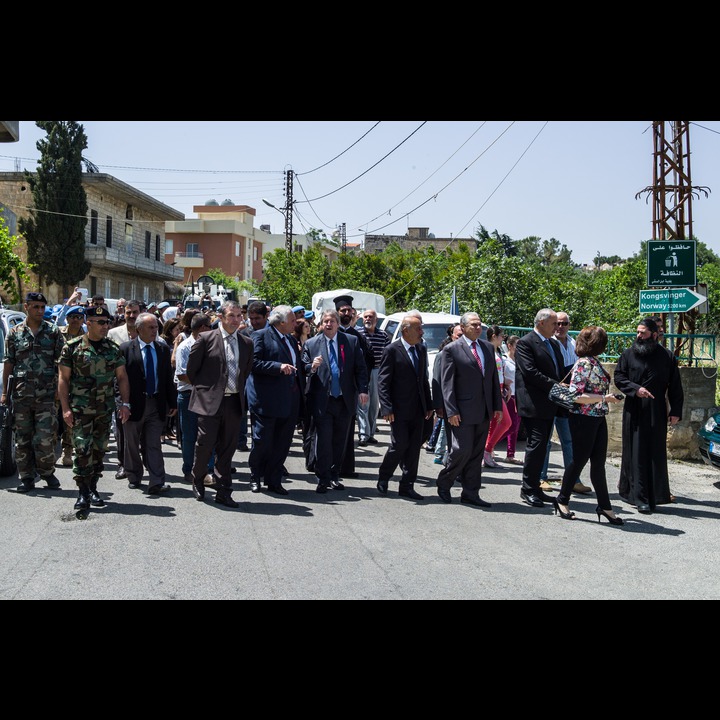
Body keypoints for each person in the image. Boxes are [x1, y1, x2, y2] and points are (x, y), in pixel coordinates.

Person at [58, 305, 131, 515]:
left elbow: (122, 377)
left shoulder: (112, 348)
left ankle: (93, 488)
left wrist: (125, 404)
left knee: (99, 450)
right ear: (87, 323)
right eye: (100, 322)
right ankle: (82, 492)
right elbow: (63, 379)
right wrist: (65, 408)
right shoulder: (72, 348)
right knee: (82, 449)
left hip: (103, 409)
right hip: (80, 409)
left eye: (107, 322)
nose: (105, 326)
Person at [552, 326, 625, 525]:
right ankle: (562, 500)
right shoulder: (584, 363)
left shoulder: (593, 361)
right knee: (578, 460)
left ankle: (605, 506)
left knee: (598, 463)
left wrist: (604, 400)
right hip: (583, 418)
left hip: (597, 416)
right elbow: (576, 396)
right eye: (603, 340)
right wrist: (604, 397)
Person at [613, 317, 684, 514]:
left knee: (654, 452)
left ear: (654, 335)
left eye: (643, 333)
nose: (639, 336)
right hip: (634, 408)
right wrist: (635, 389)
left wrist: (676, 411)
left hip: (656, 410)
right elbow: (619, 377)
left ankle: (657, 494)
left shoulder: (667, 356)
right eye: (637, 332)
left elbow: (675, 386)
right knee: (636, 452)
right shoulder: (628, 354)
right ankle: (639, 497)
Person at [186, 300, 253, 508]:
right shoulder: (206, 339)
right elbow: (191, 371)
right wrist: (207, 391)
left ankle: (224, 491)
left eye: (239, 315)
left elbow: (246, 372)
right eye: (231, 315)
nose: (236, 319)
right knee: (205, 445)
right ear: (221, 318)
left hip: (233, 403)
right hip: (209, 403)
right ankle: (198, 478)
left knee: (227, 448)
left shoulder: (246, 343)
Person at [435, 311, 502, 507]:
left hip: (483, 409)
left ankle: (471, 492)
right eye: (473, 325)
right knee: (461, 450)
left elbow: (492, 380)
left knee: (476, 454)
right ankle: (445, 481)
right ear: (463, 328)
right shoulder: (452, 350)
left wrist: (497, 406)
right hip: (461, 411)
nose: (478, 328)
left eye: (480, 324)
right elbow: (447, 383)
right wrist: (451, 411)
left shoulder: (488, 348)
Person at [1, 291, 65, 492]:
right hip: (21, 395)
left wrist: (59, 390)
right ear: (26, 307)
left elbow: (62, 364)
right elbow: (9, 363)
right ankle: (27, 477)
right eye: (35, 307)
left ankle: (47, 472)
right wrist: (4, 393)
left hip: (47, 395)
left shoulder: (53, 332)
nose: (39, 310)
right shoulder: (14, 333)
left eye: (42, 307)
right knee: (23, 439)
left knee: (45, 438)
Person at [301, 309, 369, 494]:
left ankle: (334, 475)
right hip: (323, 401)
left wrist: (363, 390)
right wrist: (311, 367)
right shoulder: (312, 343)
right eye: (325, 321)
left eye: (332, 321)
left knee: (340, 440)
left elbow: (360, 369)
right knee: (324, 440)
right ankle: (322, 478)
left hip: (344, 400)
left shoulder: (351, 341)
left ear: (338, 323)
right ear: (320, 324)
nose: (328, 324)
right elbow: (303, 367)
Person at [246, 305, 305, 495]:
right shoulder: (261, 336)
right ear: (281, 322)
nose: (296, 324)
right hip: (266, 400)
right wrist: (277, 367)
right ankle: (255, 475)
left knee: (282, 443)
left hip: (289, 400)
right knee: (262, 441)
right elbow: (253, 364)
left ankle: (274, 480)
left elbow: (296, 366)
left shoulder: (289, 339)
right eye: (293, 321)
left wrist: (310, 366)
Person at [376, 313, 433, 500]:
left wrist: (429, 405)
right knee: (399, 444)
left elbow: (422, 379)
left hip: (418, 408)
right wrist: (386, 407)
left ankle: (407, 485)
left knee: (414, 447)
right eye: (418, 328)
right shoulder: (392, 350)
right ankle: (384, 475)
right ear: (406, 330)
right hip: (398, 409)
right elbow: (383, 381)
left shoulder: (421, 349)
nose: (422, 332)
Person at [119, 312, 177, 495]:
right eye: (151, 327)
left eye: (156, 327)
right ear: (139, 329)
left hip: (155, 403)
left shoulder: (162, 349)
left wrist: (172, 401)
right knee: (132, 443)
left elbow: (167, 378)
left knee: (153, 444)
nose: (155, 331)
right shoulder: (126, 349)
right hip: (133, 405)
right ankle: (134, 475)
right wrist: (123, 403)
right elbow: (119, 379)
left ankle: (157, 480)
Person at [514, 308, 566, 508]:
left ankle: (535, 487)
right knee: (535, 446)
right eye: (554, 323)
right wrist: (555, 385)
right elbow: (530, 372)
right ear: (541, 323)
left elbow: (558, 370)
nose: (557, 327)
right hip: (534, 404)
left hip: (550, 403)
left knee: (542, 446)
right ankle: (527, 489)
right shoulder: (526, 343)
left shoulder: (553, 343)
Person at [539, 310, 590, 494]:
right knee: (545, 441)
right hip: (551, 396)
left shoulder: (574, 344)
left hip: (568, 399)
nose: (560, 327)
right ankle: (541, 477)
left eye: (564, 323)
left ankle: (573, 479)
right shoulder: (547, 344)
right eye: (557, 323)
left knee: (569, 440)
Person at [335, 295, 374, 479]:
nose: (346, 313)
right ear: (337, 313)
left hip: (350, 390)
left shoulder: (357, 336)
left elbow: (365, 364)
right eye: (342, 311)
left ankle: (346, 468)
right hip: (332, 389)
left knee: (348, 428)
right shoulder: (329, 332)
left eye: (349, 311)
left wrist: (362, 388)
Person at [175, 312, 215, 486]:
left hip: (208, 395)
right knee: (190, 436)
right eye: (210, 327)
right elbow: (182, 374)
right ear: (203, 328)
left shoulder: (213, 344)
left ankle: (208, 470)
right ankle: (189, 469)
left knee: (209, 435)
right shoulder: (185, 346)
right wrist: (205, 379)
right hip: (189, 395)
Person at [108, 300, 143, 480]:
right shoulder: (113, 334)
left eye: (134, 312)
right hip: (119, 387)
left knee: (141, 428)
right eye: (128, 312)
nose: (131, 316)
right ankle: (123, 463)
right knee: (122, 427)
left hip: (142, 388)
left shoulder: (148, 331)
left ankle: (139, 462)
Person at [237, 300, 269, 452]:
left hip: (266, 387)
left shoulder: (274, 333)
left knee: (263, 431)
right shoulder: (243, 334)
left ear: (266, 316)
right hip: (244, 383)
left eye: (258, 318)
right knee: (242, 415)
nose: (254, 322)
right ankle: (241, 440)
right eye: (252, 318)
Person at [357, 307, 391, 447]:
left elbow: (388, 354)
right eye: (366, 317)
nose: (368, 319)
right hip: (363, 372)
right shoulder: (358, 333)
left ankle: (370, 433)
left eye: (371, 317)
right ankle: (363, 434)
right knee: (363, 403)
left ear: (376, 320)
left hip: (378, 371)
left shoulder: (383, 335)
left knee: (374, 405)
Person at [483, 325, 512, 468]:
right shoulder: (487, 352)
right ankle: (487, 450)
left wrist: (505, 386)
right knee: (506, 422)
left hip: (500, 390)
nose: (503, 338)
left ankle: (487, 452)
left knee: (495, 424)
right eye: (501, 336)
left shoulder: (497, 351)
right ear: (494, 336)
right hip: (493, 392)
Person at [497, 334, 522, 464]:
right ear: (510, 346)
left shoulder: (520, 361)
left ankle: (510, 454)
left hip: (519, 396)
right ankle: (488, 446)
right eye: (517, 346)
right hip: (509, 396)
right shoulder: (504, 361)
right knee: (509, 426)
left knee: (515, 427)